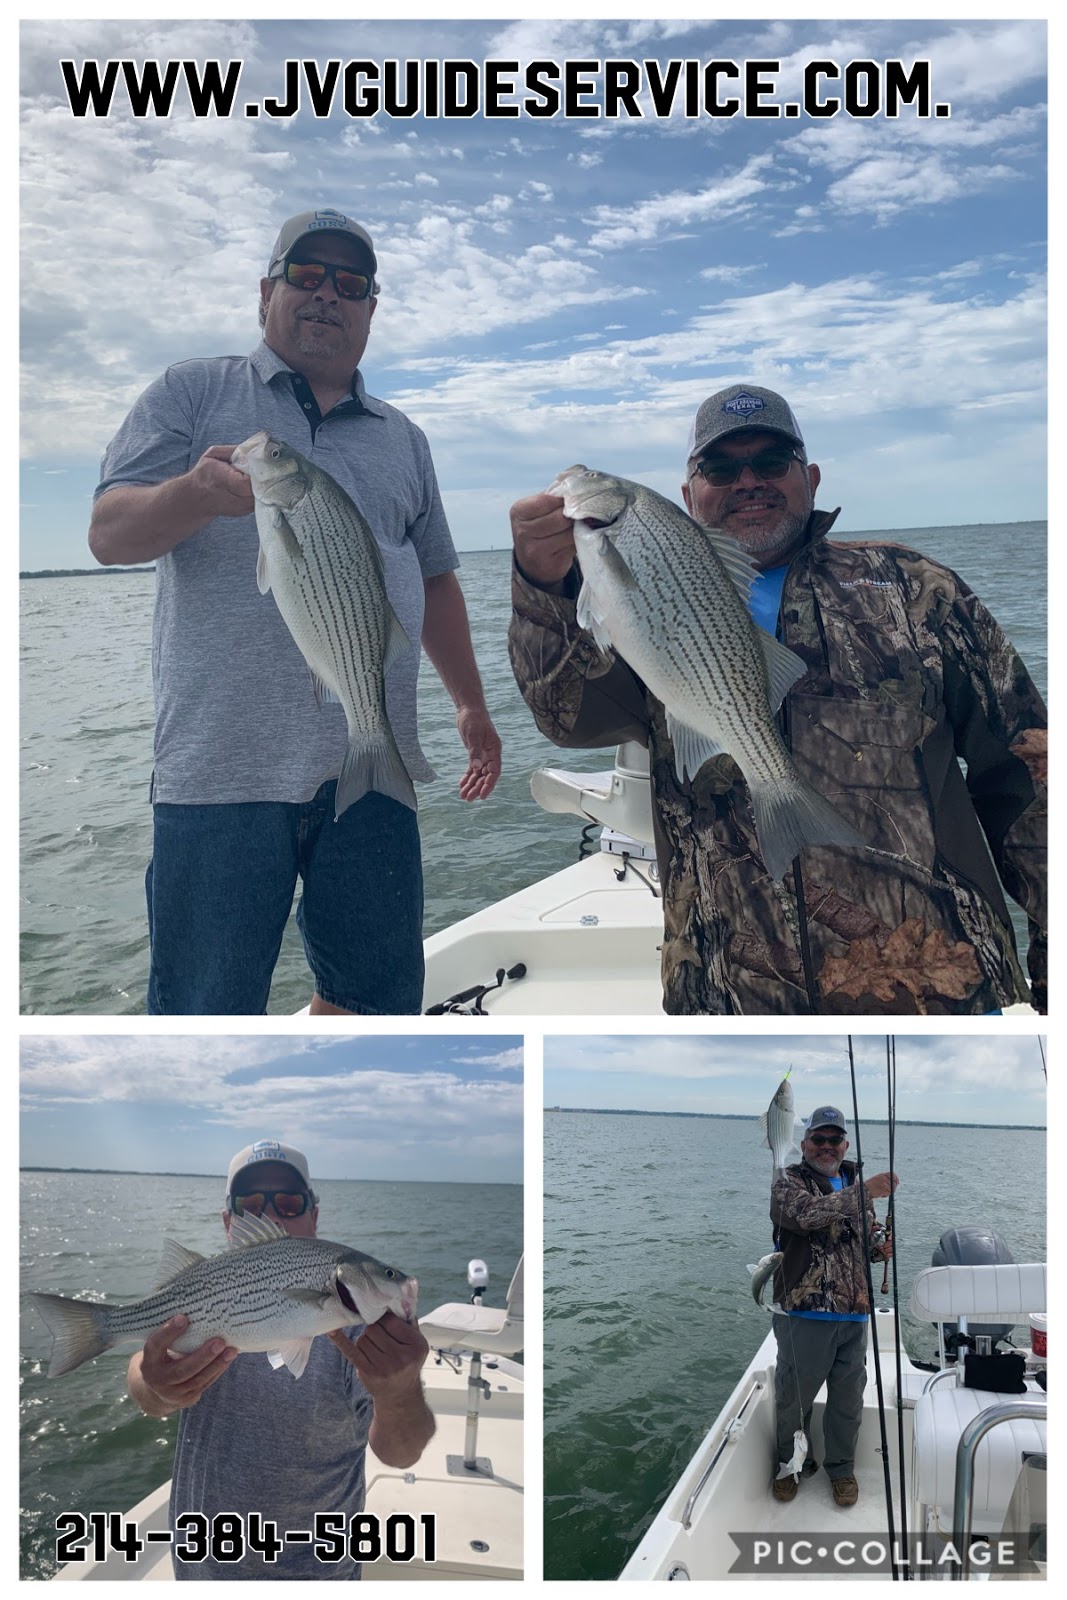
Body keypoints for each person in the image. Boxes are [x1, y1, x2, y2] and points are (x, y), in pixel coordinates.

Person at [507, 383, 1047, 1016]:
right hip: (726, 996)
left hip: (932, 989)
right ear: (689, 495)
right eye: (721, 466)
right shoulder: (631, 602)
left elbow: (1027, 771)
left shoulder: (918, 591)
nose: (748, 481)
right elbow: (563, 716)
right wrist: (543, 588)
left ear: (810, 478)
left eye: (771, 462)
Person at [89, 208, 501, 1016]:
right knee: (205, 1011)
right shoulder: (191, 391)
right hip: (219, 774)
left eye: (350, 284)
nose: (326, 295)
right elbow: (109, 536)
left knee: (378, 1002)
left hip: (373, 758)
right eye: (305, 274)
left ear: (371, 311)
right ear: (265, 292)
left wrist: (471, 704)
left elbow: (439, 578)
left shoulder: (404, 438)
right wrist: (192, 494)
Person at [127, 1139, 433, 1581]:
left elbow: (401, 1454)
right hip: (199, 1569)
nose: (270, 1215)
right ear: (229, 1221)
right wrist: (154, 1383)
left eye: (289, 1202)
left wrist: (400, 1390)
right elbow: (144, 1384)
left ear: (314, 1214)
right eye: (250, 1204)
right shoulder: (205, 1295)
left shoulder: (366, 1335)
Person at [768, 1108, 897, 1508]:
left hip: (855, 1315)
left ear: (845, 1144)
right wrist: (865, 1193)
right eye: (818, 1140)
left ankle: (840, 1469)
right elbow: (806, 1216)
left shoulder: (857, 1182)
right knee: (795, 1399)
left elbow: (860, 1240)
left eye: (834, 1140)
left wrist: (880, 1249)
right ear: (804, 1144)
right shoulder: (788, 1181)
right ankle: (791, 1465)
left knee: (848, 1401)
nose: (826, 1147)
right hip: (804, 1312)